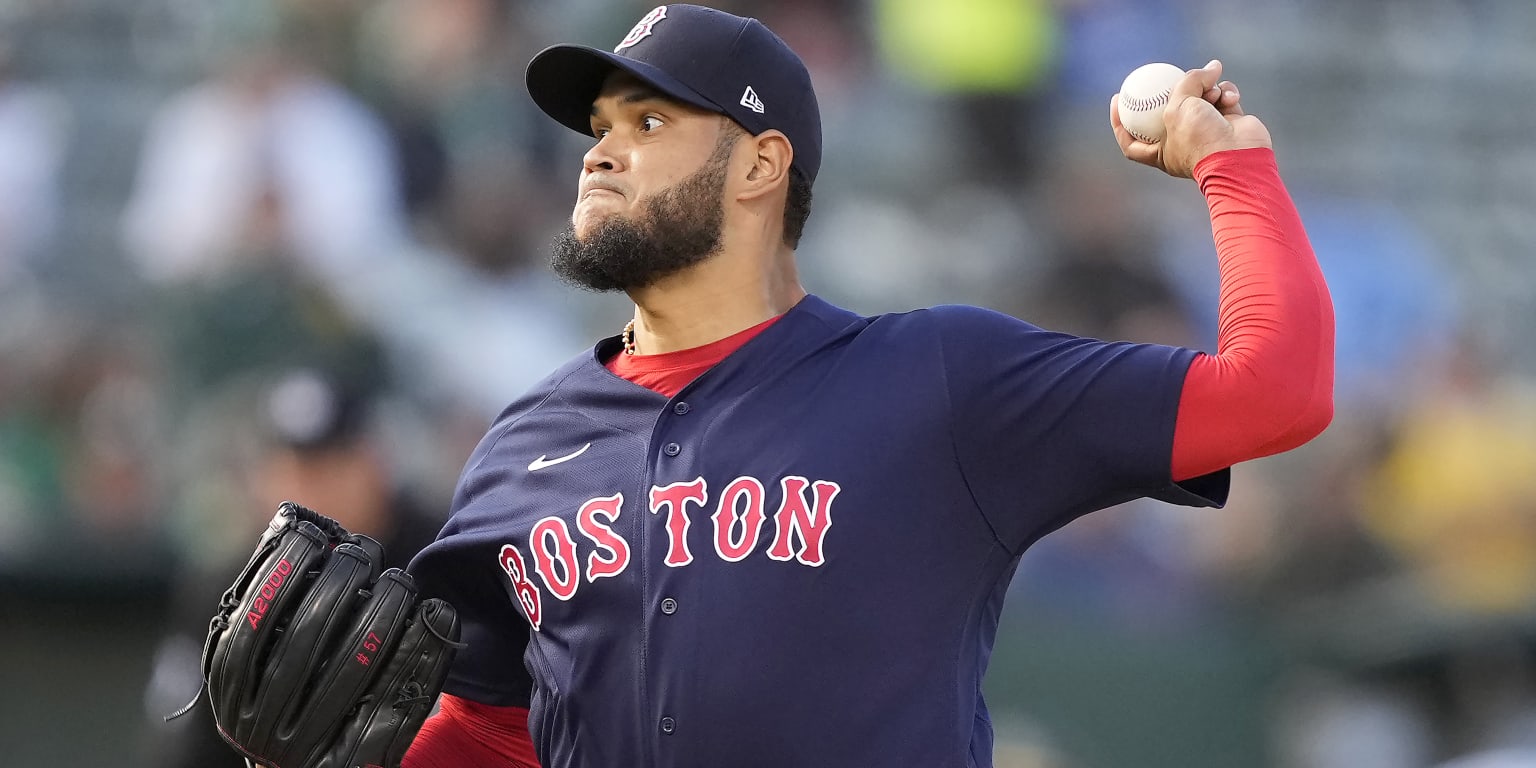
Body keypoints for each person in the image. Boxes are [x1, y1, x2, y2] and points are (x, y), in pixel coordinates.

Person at [402, 5, 1334, 768]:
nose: (600, 154)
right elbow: (491, 731)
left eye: (648, 123)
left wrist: (1232, 163)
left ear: (761, 165)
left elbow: (1276, 389)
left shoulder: (939, 381)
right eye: (600, 128)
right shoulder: (522, 446)